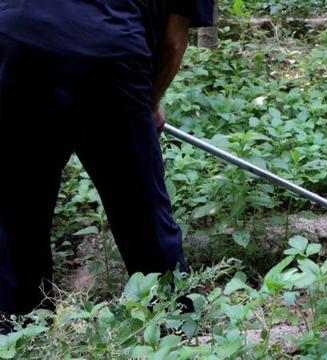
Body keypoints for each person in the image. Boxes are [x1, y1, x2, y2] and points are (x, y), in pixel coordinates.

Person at [0, 0, 213, 333]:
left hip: (17, 42)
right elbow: (173, 42)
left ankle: (18, 334)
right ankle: (174, 328)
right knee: (142, 211)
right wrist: (149, 103)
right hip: (109, 56)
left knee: (17, 210)